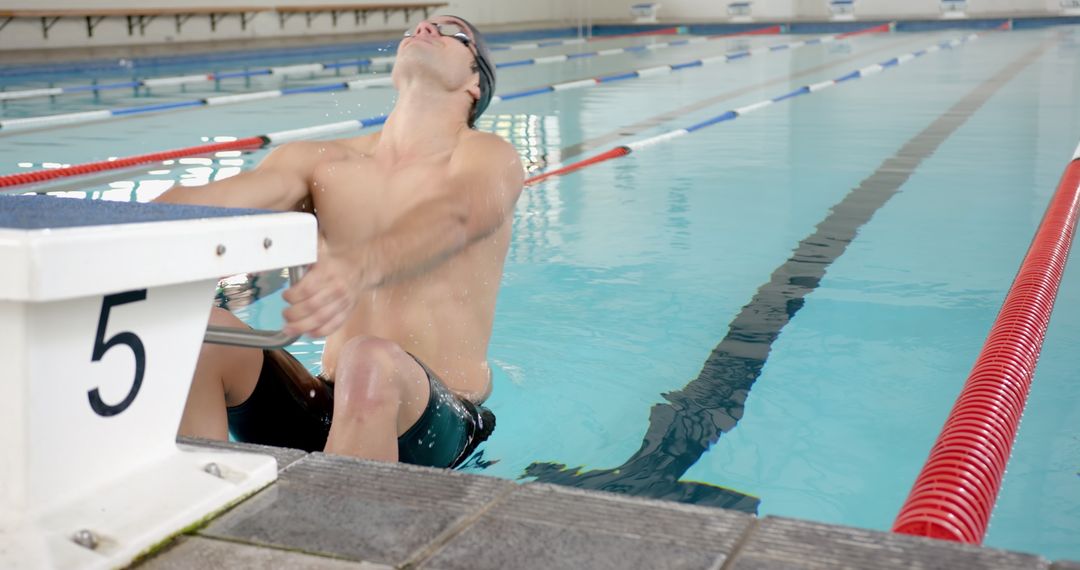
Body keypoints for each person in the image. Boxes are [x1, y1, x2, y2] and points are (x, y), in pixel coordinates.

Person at [158, 15, 524, 469]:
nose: (425, 29)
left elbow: (459, 214)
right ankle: (206, 495)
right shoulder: (324, 162)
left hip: (438, 418)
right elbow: (211, 203)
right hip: (331, 403)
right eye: (417, 27)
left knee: (367, 359)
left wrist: (362, 264)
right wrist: (121, 222)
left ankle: (330, 512)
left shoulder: (488, 156)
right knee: (204, 332)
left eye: (452, 32)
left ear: (475, 82)